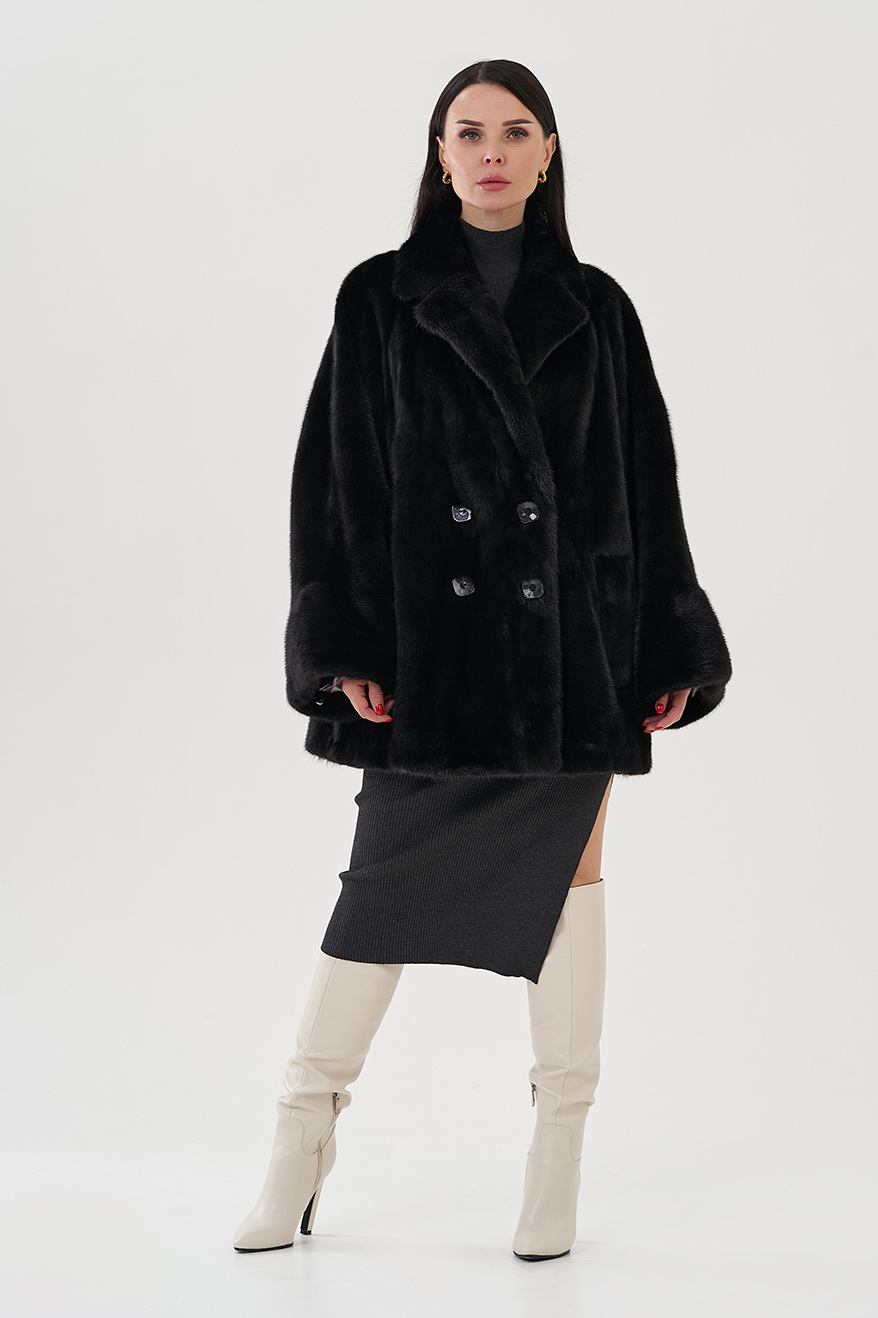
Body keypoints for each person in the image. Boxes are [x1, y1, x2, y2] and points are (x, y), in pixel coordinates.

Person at [233, 59, 732, 1262]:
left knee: (569, 884)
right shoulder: (380, 296)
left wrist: (668, 640)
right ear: (439, 153)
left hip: (571, 656)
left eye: (515, 131)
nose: (491, 150)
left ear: (548, 154)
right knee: (377, 889)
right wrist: (344, 643)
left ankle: (555, 1161)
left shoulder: (598, 307)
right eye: (468, 132)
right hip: (429, 660)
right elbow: (334, 481)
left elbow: (645, 485)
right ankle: (300, 1138)